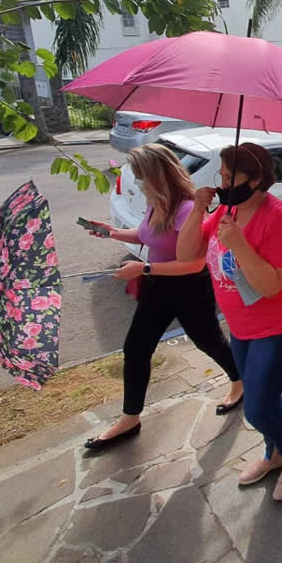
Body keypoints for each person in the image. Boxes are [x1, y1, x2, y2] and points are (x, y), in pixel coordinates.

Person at [82, 144, 243, 452]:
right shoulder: (157, 203)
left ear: (157, 176)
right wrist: (112, 232)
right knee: (136, 347)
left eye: (142, 177)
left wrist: (142, 267)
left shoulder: (187, 209)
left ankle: (239, 380)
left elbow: (194, 262)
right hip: (157, 286)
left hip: (189, 289)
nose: (139, 183)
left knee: (208, 341)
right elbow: (147, 235)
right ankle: (130, 417)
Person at [178, 143, 282, 500]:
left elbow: (269, 286)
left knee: (258, 407)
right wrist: (197, 210)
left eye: (229, 176)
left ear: (256, 179)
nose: (222, 183)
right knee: (262, 398)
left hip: (280, 325)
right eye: (219, 176)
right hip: (241, 327)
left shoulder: (281, 218)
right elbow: (186, 253)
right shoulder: (225, 211)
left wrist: (239, 244)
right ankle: (275, 452)